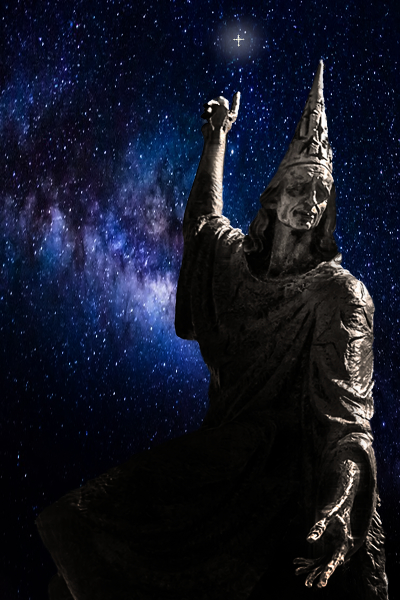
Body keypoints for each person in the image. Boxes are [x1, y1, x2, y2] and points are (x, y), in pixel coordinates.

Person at [36, 61, 389, 599]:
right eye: (300, 185)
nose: (311, 202)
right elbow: (203, 224)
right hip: (224, 452)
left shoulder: (340, 296)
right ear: (275, 195)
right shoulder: (237, 267)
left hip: (278, 470)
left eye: (322, 193)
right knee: (81, 527)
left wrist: (341, 504)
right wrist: (216, 141)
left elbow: (348, 424)